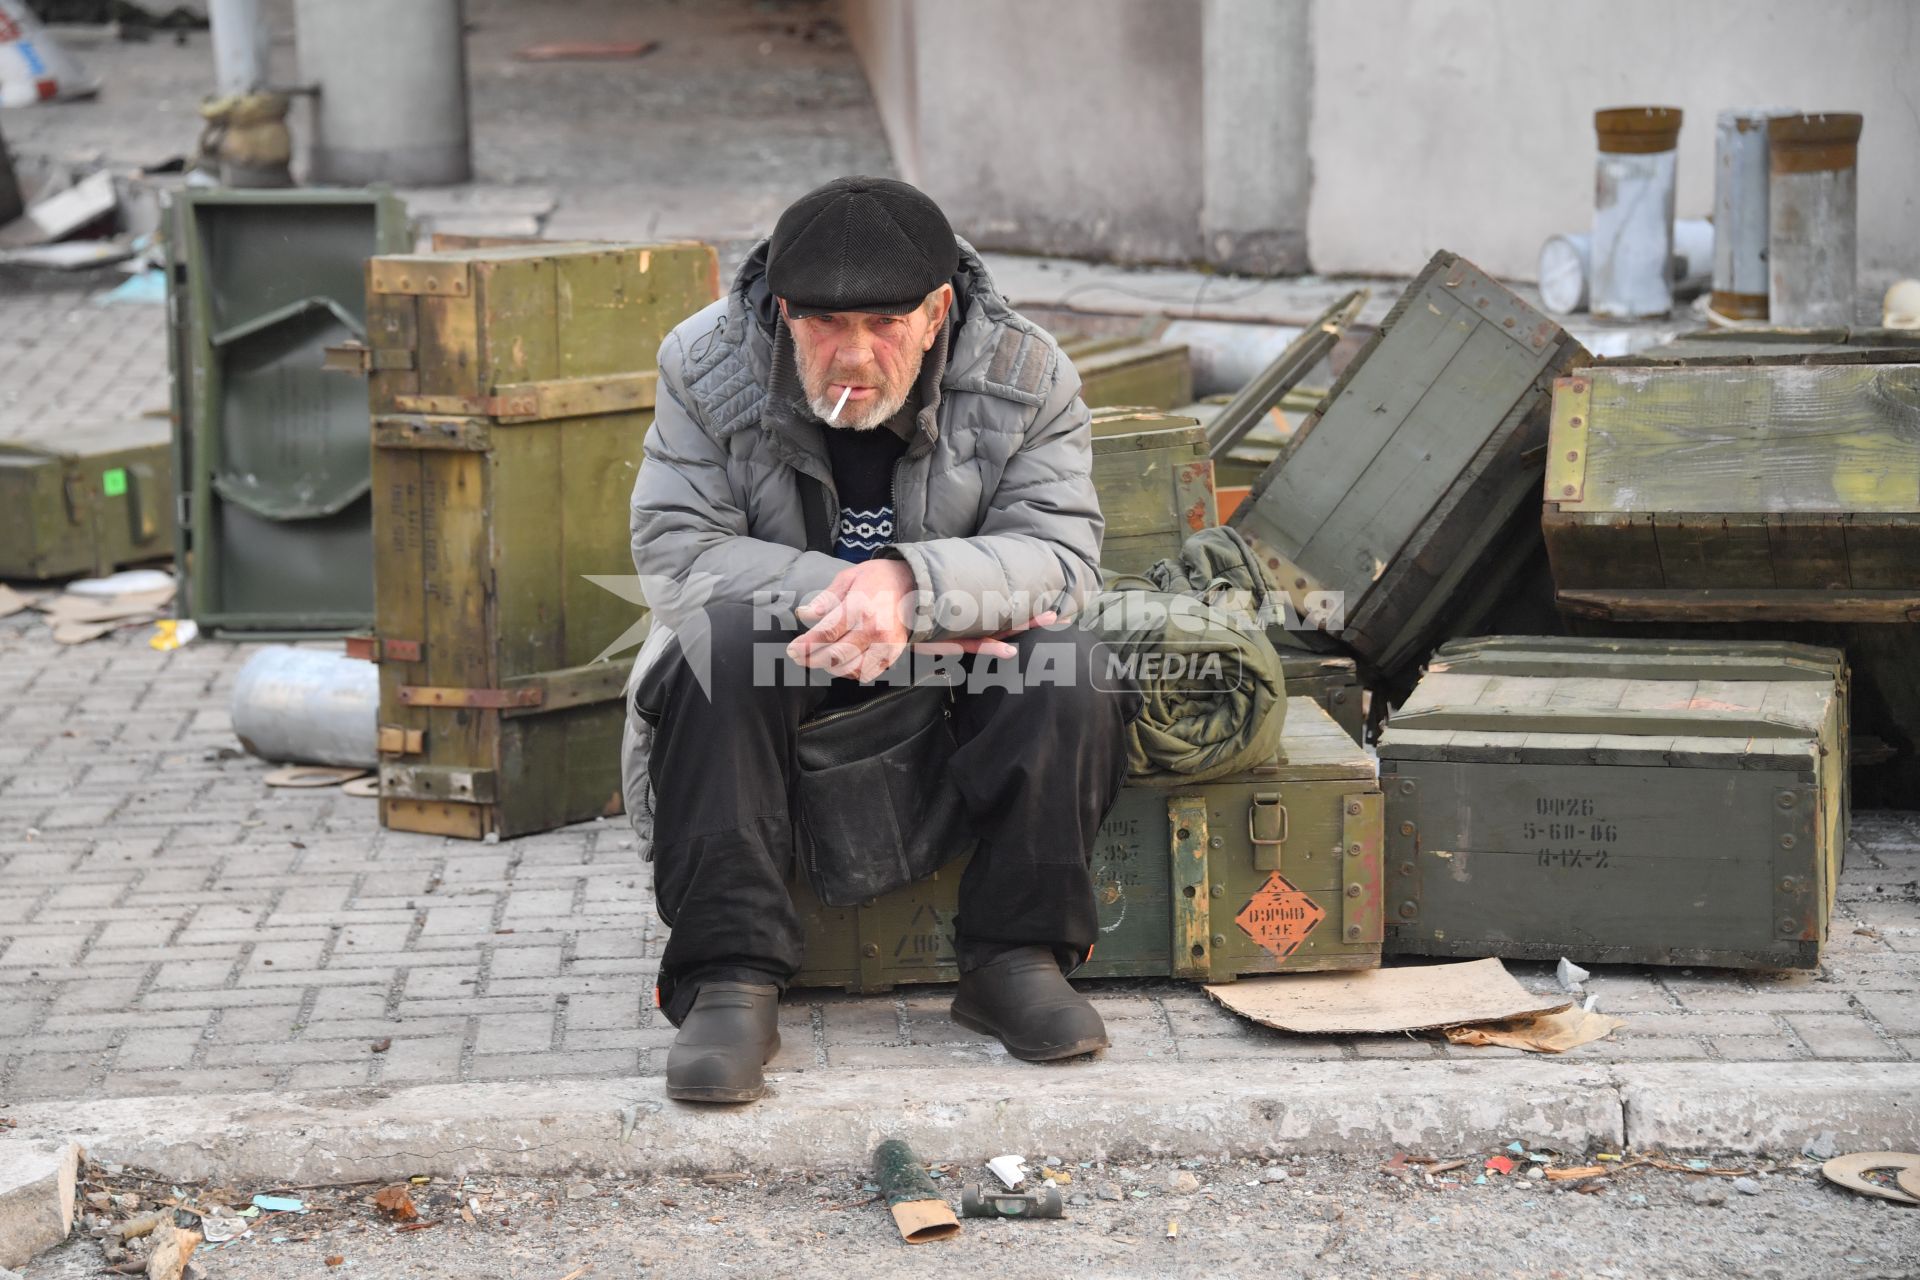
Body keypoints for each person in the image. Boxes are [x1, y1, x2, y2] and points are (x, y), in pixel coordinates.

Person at [624, 176, 1139, 1103]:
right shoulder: (704, 363)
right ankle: (728, 979)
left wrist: (912, 585)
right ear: (783, 312)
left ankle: (1015, 961)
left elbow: (1062, 554)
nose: (852, 354)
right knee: (716, 644)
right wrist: (849, 593)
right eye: (824, 325)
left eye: (886, 324)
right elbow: (675, 552)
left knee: (1069, 664)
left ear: (939, 311)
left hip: (951, 665)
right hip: (785, 656)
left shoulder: (1029, 373)